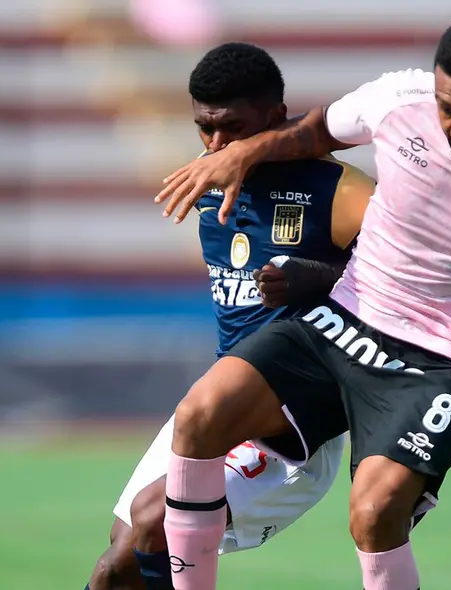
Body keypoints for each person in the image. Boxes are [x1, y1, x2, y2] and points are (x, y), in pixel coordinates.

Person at [156, 14, 451, 590]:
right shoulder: (397, 99)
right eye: (447, 107)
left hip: (436, 360)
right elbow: (315, 132)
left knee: (374, 515)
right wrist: (245, 154)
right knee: (199, 416)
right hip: (344, 318)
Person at [86, 42, 376, 590]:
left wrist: (315, 277)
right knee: (115, 567)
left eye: (233, 128)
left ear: (274, 117)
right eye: (204, 129)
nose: (217, 145)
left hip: (293, 423)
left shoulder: (340, 189)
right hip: (219, 400)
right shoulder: (203, 181)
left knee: (156, 520)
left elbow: (411, 284)